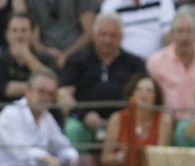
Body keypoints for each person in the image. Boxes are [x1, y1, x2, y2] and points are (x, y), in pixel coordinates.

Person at [58, 10, 142, 145]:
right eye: (103, 35)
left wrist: (121, 118)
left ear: (121, 37)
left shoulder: (134, 63)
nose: (107, 40)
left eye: (112, 35)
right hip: (83, 121)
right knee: (73, 129)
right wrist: (84, 115)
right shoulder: (76, 60)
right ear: (94, 35)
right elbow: (63, 95)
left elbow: (144, 95)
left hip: (125, 121)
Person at [0, 68, 79, 166]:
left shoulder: (47, 118)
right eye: (41, 91)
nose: (45, 97)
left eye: (50, 94)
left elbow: (63, 145)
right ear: (28, 91)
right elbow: (20, 151)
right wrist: (49, 159)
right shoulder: (11, 113)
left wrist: (71, 159)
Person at [147, 9, 195, 115]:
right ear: (172, 35)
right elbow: (152, 98)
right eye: (180, 31)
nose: (184, 37)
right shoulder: (155, 62)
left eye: (189, 31)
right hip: (168, 122)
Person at [0, 11, 53, 111]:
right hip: (5, 113)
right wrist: (39, 89)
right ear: (7, 34)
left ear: (32, 33)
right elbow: (4, 89)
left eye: (24, 30)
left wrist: (28, 58)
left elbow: (51, 83)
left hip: (40, 112)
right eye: (14, 31)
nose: (19, 36)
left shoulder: (46, 59)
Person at [28, 0, 97, 70]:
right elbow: (33, 36)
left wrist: (66, 55)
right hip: (45, 57)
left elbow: (90, 32)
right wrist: (46, 51)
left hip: (77, 55)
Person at [100, 0, 173, 61]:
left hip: (157, 64)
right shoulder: (110, 5)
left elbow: (169, 34)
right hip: (124, 66)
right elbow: (107, 36)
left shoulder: (163, 1)